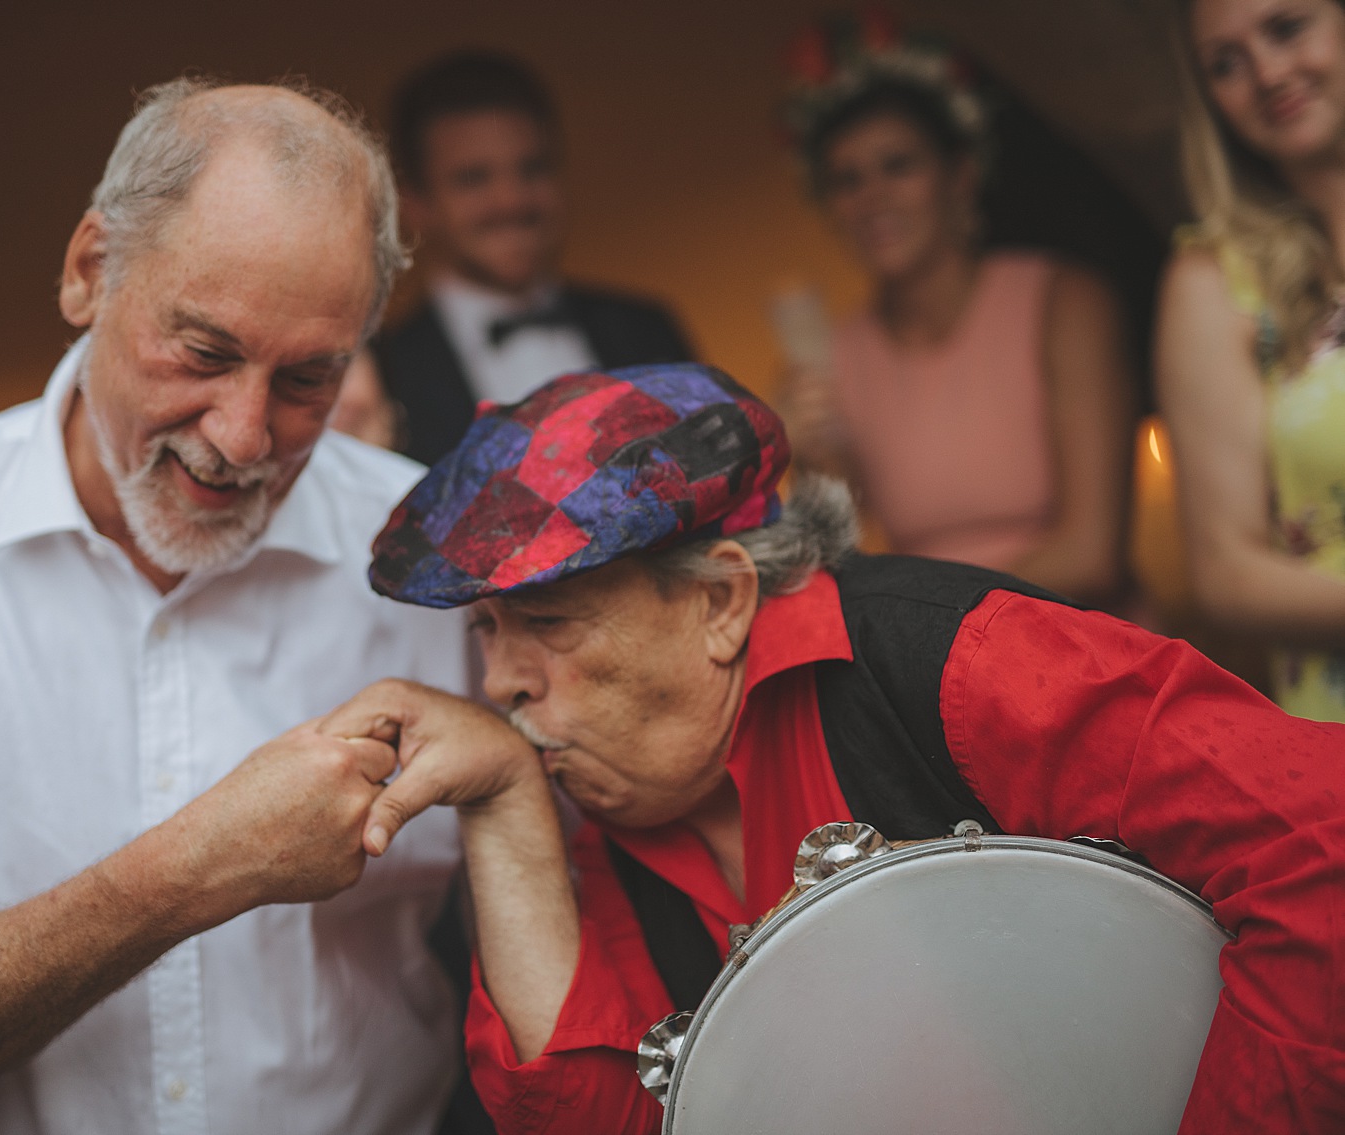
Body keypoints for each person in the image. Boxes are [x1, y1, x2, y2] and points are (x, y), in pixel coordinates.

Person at [319, 363, 1345, 1135]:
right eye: (485, 632)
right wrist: (501, 800)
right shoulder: (608, 806)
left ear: (720, 600)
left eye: (547, 624)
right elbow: (606, 1121)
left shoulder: (955, 661)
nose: (499, 683)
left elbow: (1319, 851)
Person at [0, 78, 472, 1134]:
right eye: (204, 353)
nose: (241, 436)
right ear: (90, 272)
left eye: (306, 380)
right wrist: (200, 866)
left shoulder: (431, 554)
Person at [778, 15, 1135, 608]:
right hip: (937, 683)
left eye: (898, 165)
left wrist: (929, 624)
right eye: (847, 179)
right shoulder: (831, 360)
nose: (873, 199)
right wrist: (805, 465)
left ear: (962, 176)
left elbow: (1093, 554)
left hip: (1084, 648)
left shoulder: (1063, 302)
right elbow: (832, 570)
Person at [1158, 0, 1345, 722]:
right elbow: (1225, 572)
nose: (1267, 74)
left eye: (1287, 27)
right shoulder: (1218, 279)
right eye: (1225, 64)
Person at [374, 51, 694, 465]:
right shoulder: (384, 374)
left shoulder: (646, 329)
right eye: (474, 179)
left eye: (533, 169)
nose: (512, 200)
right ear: (415, 202)